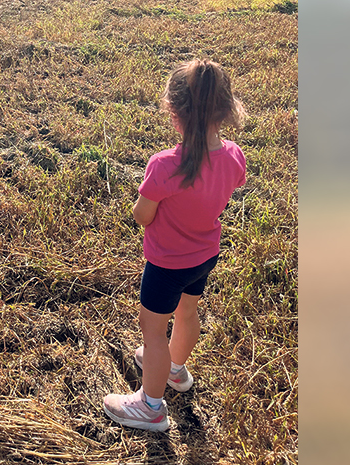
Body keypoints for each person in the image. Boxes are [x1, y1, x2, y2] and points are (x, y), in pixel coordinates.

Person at [103, 59, 248, 431]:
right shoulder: (233, 155)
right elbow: (231, 188)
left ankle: (150, 406)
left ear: (172, 110)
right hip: (205, 257)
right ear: (227, 109)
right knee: (187, 314)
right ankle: (176, 369)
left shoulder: (165, 166)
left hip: (166, 265)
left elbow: (143, 216)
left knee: (152, 333)